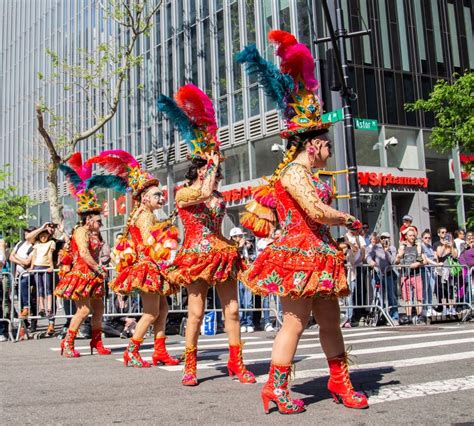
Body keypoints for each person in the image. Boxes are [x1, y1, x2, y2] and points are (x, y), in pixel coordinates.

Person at [237, 30, 368, 413]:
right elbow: (314, 211)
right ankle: (274, 389)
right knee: (294, 322)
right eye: (326, 143)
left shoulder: (309, 173)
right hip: (298, 257)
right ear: (312, 144)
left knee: (331, 321)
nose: (329, 148)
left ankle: (340, 380)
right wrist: (347, 218)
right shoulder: (294, 173)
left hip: (320, 256)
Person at [159, 84, 255, 386]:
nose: (217, 177)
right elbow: (201, 192)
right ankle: (191, 366)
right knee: (196, 311)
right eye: (212, 171)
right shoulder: (186, 192)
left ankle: (236, 362)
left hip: (222, 252)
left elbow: (212, 200)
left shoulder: (217, 194)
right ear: (199, 170)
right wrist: (211, 165)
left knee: (234, 310)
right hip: (195, 255)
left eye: (218, 173)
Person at [87, 149, 180, 368]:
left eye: (161, 194)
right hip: (147, 266)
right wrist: (167, 232)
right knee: (151, 312)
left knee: (163, 309)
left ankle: (160, 351)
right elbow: (150, 241)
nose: (162, 197)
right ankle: (132, 350)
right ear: (145, 197)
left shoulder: (144, 213)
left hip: (151, 265)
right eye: (158, 195)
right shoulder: (145, 215)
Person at [53, 153, 112, 358]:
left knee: (99, 310)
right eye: (98, 221)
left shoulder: (95, 232)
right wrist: (98, 268)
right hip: (82, 274)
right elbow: (85, 254)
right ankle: (67, 342)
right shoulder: (80, 232)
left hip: (94, 275)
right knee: (84, 310)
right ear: (88, 220)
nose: (100, 224)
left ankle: (96, 342)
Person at [366, 232, 398, 324]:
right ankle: (382, 317)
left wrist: (386, 251)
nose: (385, 239)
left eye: (387, 238)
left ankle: (394, 317)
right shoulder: (376, 247)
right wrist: (370, 262)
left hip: (389, 274)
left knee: (391, 296)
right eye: (383, 238)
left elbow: (392, 261)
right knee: (380, 297)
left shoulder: (392, 248)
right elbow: (368, 256)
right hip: (378, 274)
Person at [29, 227, 56, 335]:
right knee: (39, 289)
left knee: (48, 288)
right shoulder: (36, 244)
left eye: (45, 235)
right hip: (37, 266)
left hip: (46, 266)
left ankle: (49, 307)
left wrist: (51, 266)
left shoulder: (51, 242)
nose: (43, 237)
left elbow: (50, 254)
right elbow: (34, 255)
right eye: (41, 236)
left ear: (48, 236)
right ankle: (42, 308)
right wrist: (31, 266)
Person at [395, 228, 424, 324]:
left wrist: (418, 263)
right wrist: (399, 256)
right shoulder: (402, 247)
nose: (412, 237)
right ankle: (408, 316)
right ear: (406, 237)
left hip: (416, 274)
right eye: (410, 235)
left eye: (413, 235)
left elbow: (423, 260)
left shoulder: (418, 247)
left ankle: (419, 316)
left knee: (418, 296)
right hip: (405, 274)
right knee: (407, 297)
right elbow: (396, 261)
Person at [257, 228, 283, 332]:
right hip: (265, 274)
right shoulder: (261, 243)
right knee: (266, 300)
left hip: (277, 274)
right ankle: (267, 322)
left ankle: (279, 320)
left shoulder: (279, 243)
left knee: (279, 300)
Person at [230, 227, 255, 333]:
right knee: (240, 301)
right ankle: (242, 322)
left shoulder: (247, 245)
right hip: (238, 275)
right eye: (236, 236)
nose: (239, 238)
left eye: (240, 236)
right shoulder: (231, 247)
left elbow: (254, 255)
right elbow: (234, 256)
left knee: (248, 301)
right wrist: (240, 246)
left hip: (247, 274)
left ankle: (249, 322)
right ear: (232, 237)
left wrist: (248, 247)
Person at [434, 230, 458, 317]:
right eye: (447, 238)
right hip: (442, 272)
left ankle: (452, 308)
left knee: (451, 290)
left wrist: (451, 247)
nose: (448, 239)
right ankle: (445, 308)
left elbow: (455, 255)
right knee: (443, 290)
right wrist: (444, 245)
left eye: (450, 238)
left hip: (450, 272)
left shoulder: (453, 246)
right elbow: (439, 255)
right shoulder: (440, 246)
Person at [420, 230, 439, 318]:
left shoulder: (430, 247)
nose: (427, 239)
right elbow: (426, 259)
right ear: (422, 238)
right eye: (425, 238)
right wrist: (435, 263)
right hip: (425, 270)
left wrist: (436, 262)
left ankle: (430, 307)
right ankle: (424, 308)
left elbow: (434, 257)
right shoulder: (421, 246)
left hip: (432, 270)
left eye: (429, 238)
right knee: (425, 290)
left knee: (430, 289)